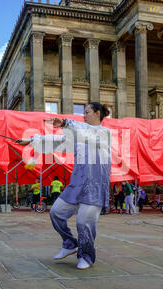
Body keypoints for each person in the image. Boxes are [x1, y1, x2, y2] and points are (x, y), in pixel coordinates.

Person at [16, 102, 111, 270]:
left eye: (87, 112)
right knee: (56, 213)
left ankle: (86, 256)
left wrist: (66, 123)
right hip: (76, 184)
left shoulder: (104, 133)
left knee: (84, 222)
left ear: (97, 113)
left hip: (95, 185)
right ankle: (69, 243)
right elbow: (57, 140)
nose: (84, 115)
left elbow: (85, 133)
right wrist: (30, 141)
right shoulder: (80, 133)